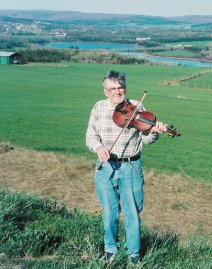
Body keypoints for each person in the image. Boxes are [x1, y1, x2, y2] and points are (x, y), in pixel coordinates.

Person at [86, 70, 167, 266]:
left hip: (131, 166)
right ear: (106, 91)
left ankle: (133, 254)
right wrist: (98, 147)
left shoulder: (137, 107)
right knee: (109, 212)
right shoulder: (98, 107)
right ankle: (110, 250)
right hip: (106, 166)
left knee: (132, 212)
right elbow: (91, 135)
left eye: (120, 87)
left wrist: (155, 131)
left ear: (125, 88)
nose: (117, 92)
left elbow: (146, 139)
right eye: (112, 88)